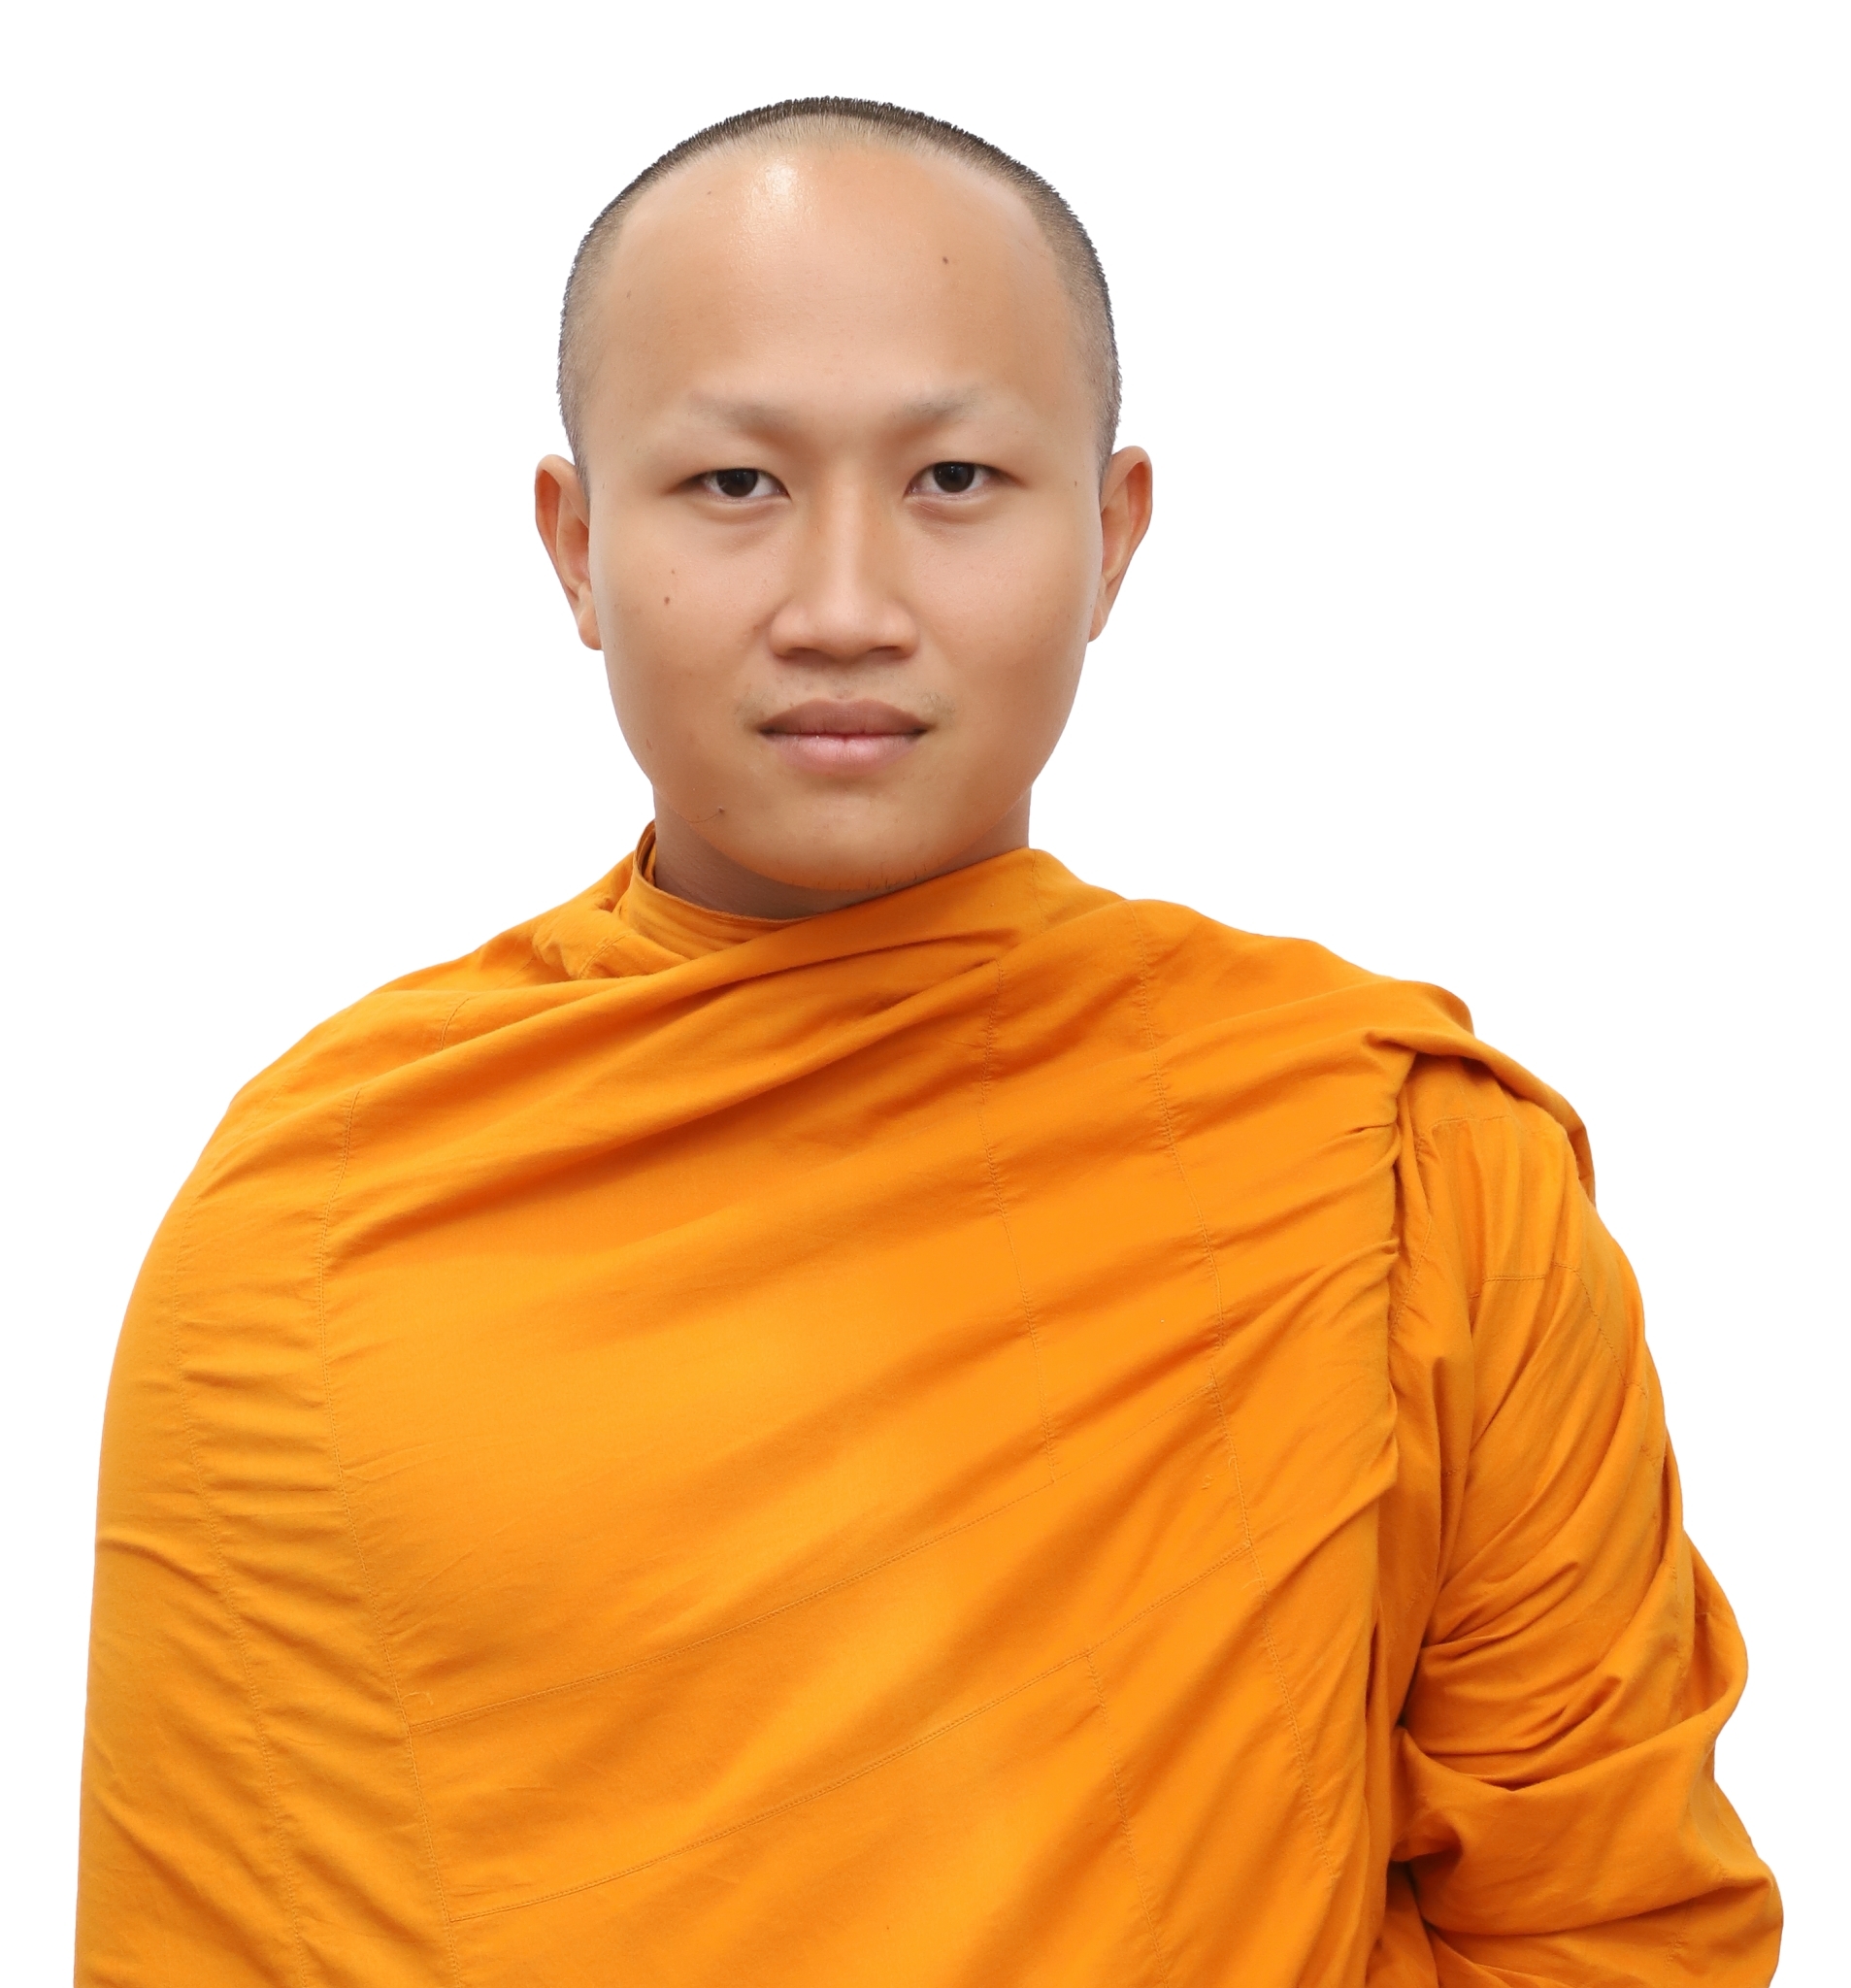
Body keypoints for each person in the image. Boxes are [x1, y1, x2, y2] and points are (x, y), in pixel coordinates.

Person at [76, 98, 1779, 1986]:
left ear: (1111, 537)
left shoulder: (1401, 1167)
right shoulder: (321, 1219)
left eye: (955, 479)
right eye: (736, 484)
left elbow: (1605, 1931)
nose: (844, 608)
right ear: (572, 543)